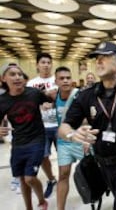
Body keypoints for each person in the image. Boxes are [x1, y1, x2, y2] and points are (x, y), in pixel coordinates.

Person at [58, 41, 116, 210]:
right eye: (97, 58)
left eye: (105, 57)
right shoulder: (87, 94)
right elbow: (64, 127)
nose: (98, 61)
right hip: (101, 164)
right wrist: (72, 135)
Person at [0, 63, 50, 210]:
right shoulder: (2, 101)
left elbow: (50, 101)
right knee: (22, 178)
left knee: (30, 178)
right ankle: (29, 208)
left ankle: (42, 201)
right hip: (18, 143)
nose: (17, 77)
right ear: (3, 78)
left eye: (20, 74)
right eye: (12, 74)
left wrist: (47, 104)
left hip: (37, 140)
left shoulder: (34, 93)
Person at [54, 66, 87, 210]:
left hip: (81, 140)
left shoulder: (80, 95)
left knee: (91, 172)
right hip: (63, 142)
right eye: (61, 78)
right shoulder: (53, 96)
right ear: (56, 81)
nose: (65, 81)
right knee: (63, 174)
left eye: (68, 78)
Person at [26, 53, 57, 198]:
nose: (46, 65)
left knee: (64, 157)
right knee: (43, 156)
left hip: (58, 124)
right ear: (37, 65)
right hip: (41, 127)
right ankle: (51, 179)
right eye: (43, 62)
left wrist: (53, 101)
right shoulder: (31, 84)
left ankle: (63, 180)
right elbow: (26, 105)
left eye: (48, 62)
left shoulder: (58, 79)